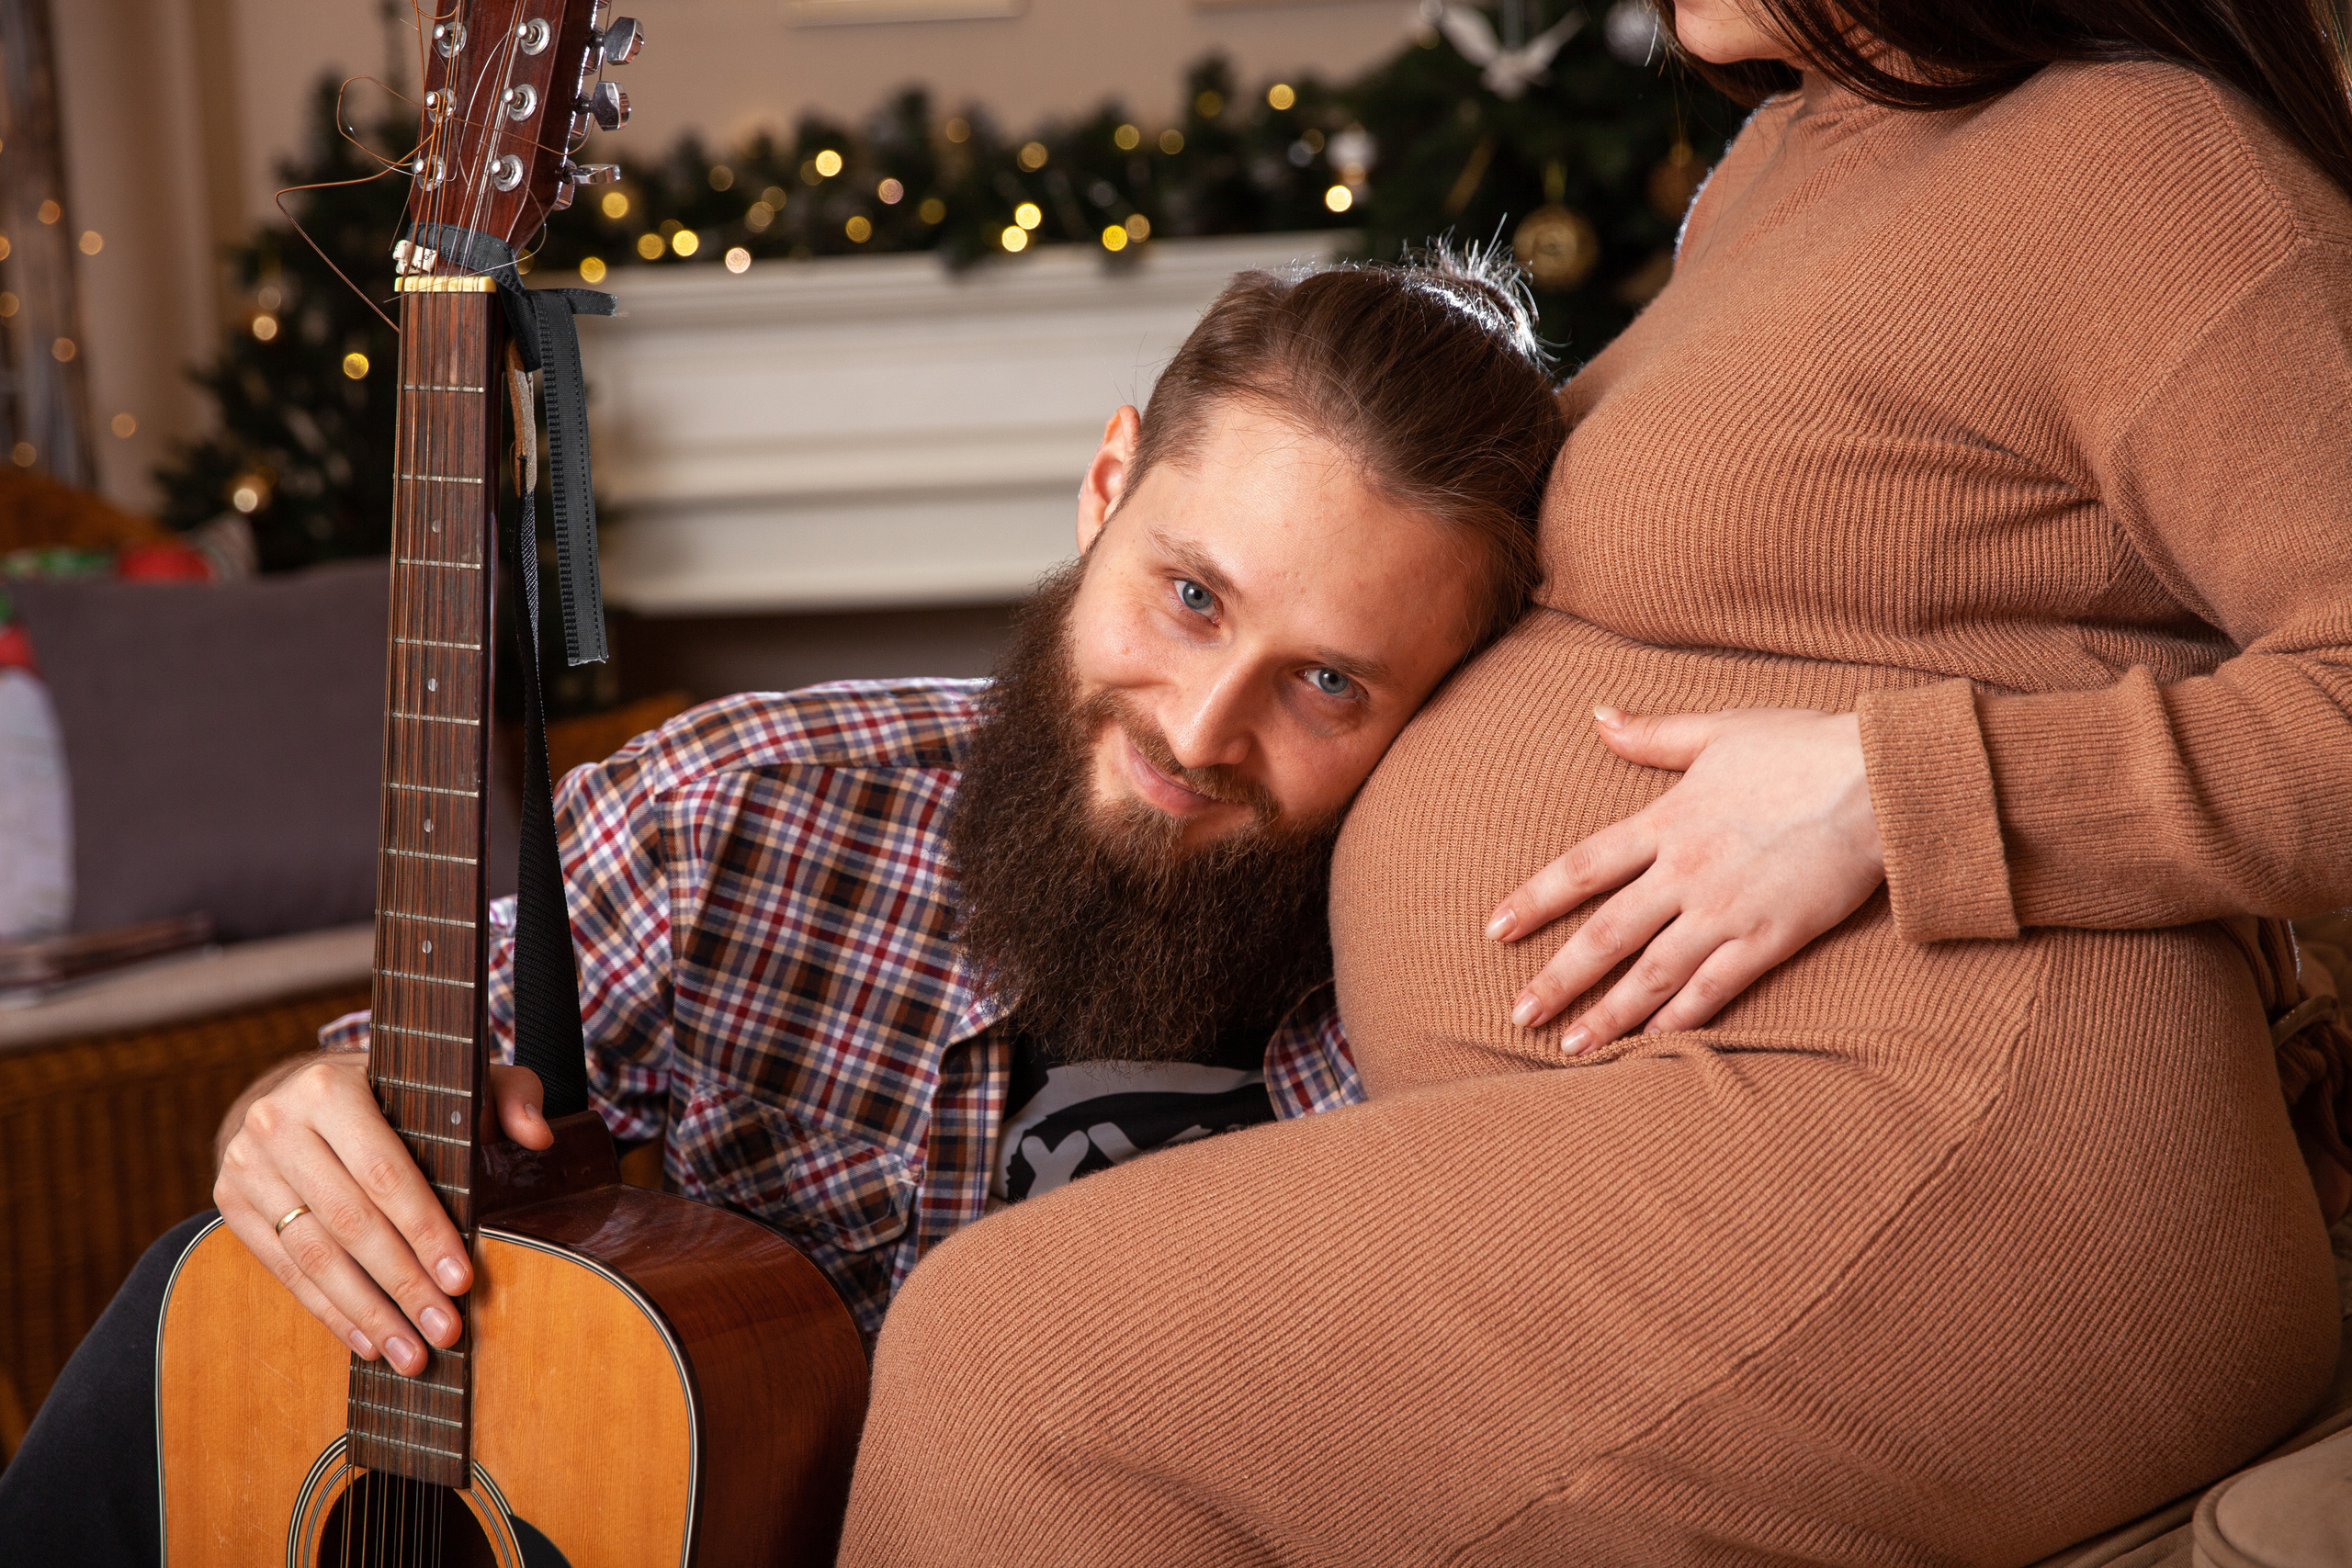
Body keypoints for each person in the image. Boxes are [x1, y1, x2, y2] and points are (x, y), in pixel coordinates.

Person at [836, 2, 2352, 1562]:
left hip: (1986, 1161)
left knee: (1012, 1364)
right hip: (1731, 1128)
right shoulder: (1789, 160)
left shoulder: (2147, 167)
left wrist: (1893, 795)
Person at [0, 253, 1567, 1562]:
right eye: (1193, 596)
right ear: (1105, 489)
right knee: (180, 1302)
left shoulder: (1458, 1031)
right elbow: (386, 1092)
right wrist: (304, 1111)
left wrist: (1831, 788)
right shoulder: (733, 809)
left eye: (1329, 683)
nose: (1204, 730)